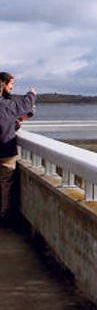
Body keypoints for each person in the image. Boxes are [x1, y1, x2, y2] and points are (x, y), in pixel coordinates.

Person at [0, 72, 37, 220]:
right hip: (5, 152)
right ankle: (3, 213)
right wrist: (32, 93)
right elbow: (25, 105)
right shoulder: (7, 105)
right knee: (5, 184)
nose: (12, 88)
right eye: (11, 85)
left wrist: (13, 124)